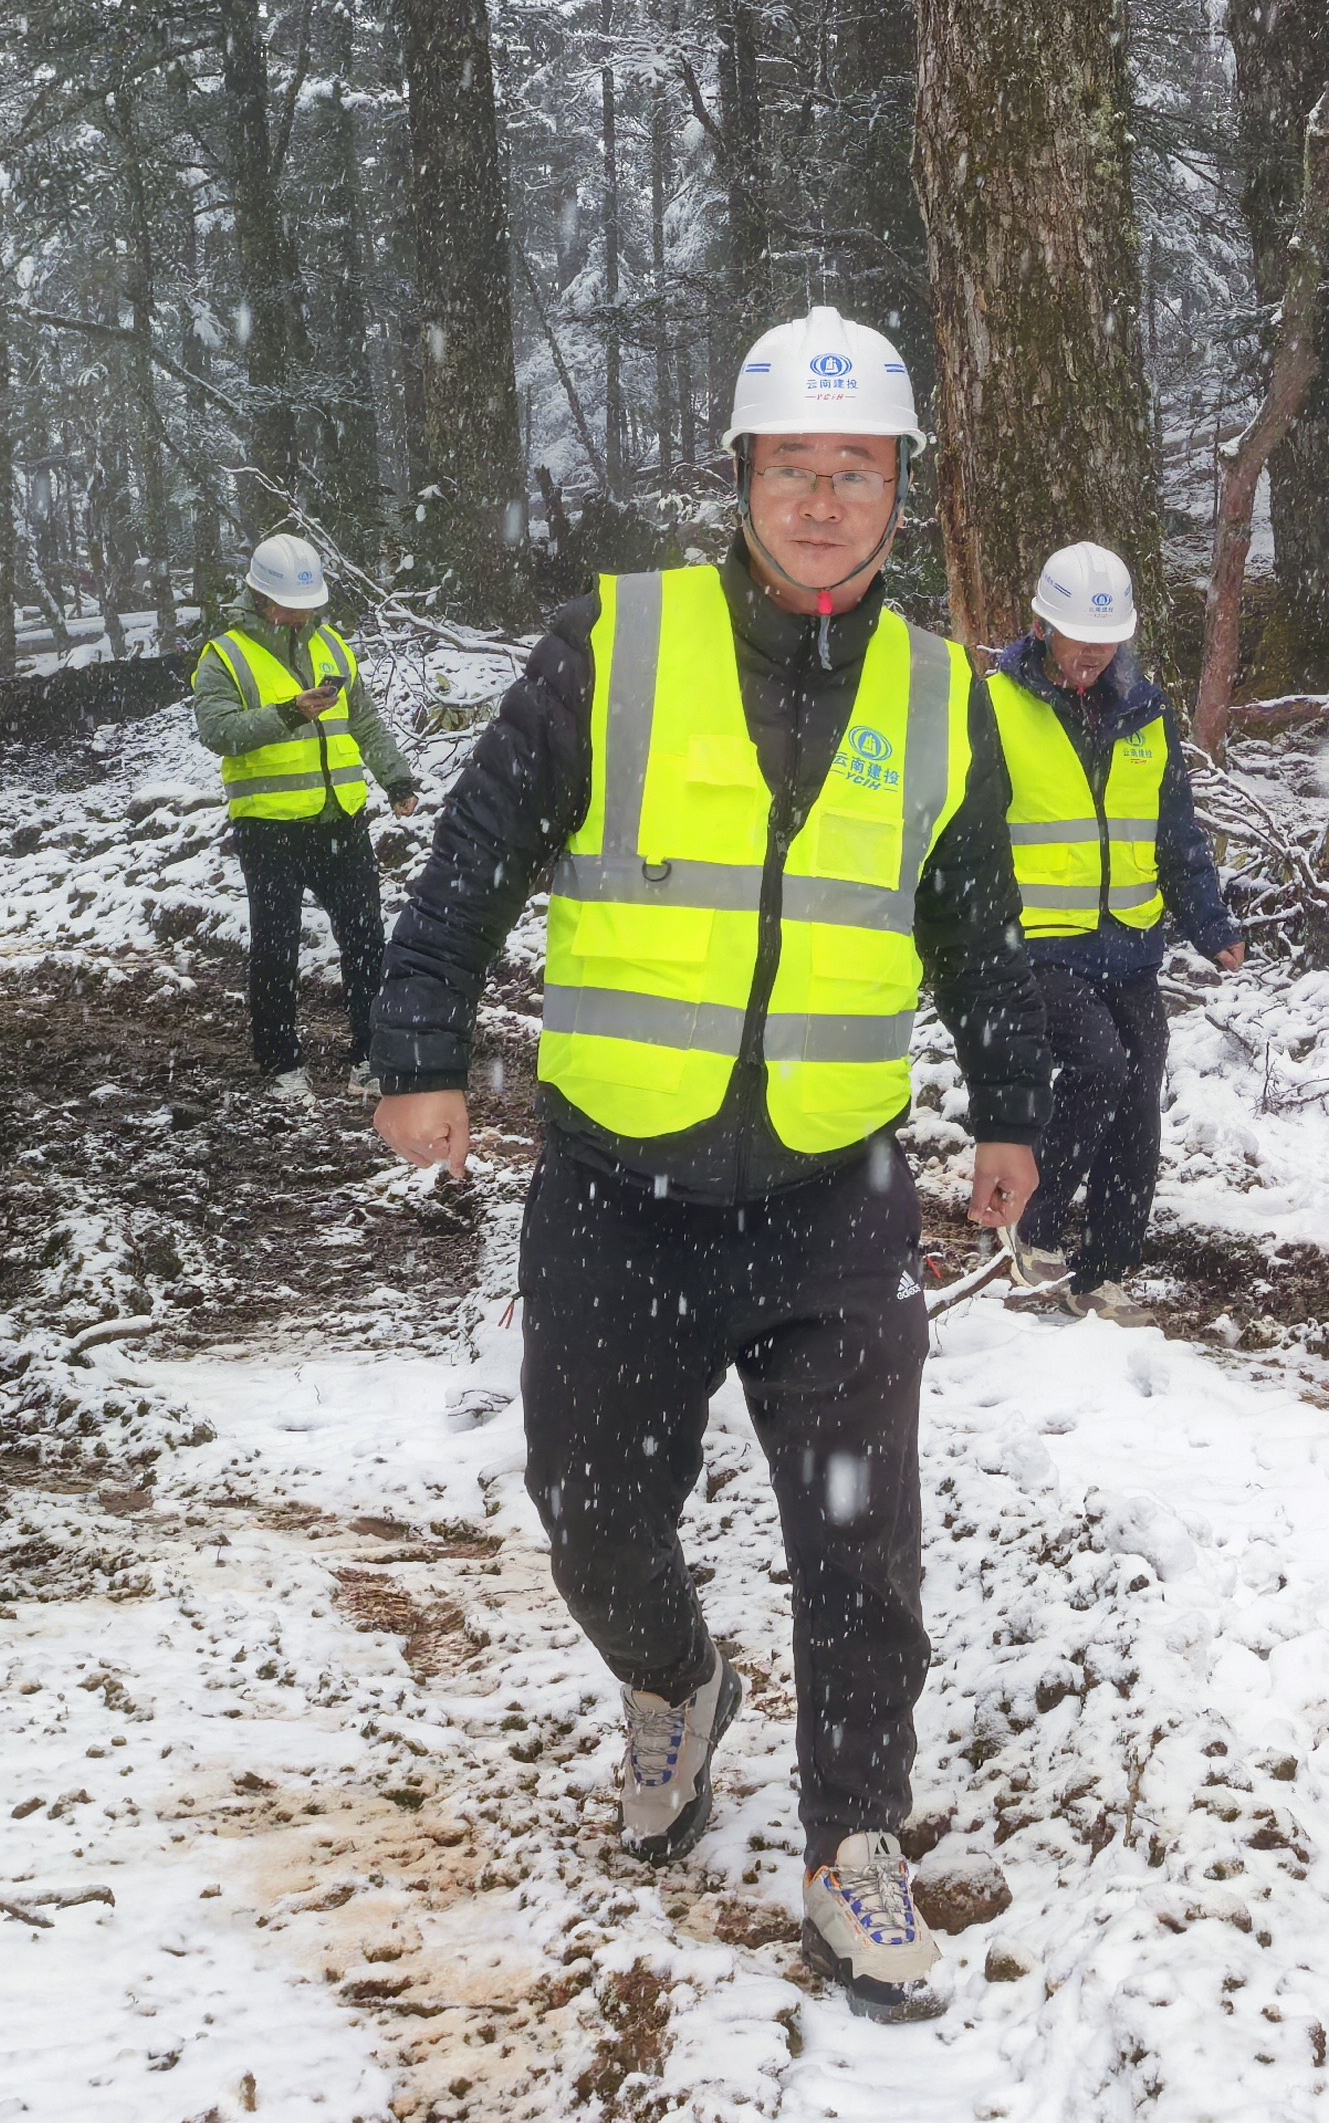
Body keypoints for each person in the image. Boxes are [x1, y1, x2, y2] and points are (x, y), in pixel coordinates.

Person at [365, 307, 1046, 2026]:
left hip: (833, 1191)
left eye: (859, 469)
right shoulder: (619, 643)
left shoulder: (941, 694)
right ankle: (675, 1681)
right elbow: (475, 849)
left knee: (858, 1535)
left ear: (900, 486)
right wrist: (420, 1047)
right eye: (795, 469)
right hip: (615, 1186)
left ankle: (853, 1837)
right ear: (740, 476)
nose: (826, 500)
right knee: (592, 1519)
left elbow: (983, 934)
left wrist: (1017, 1110)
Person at [983, 540, 1247, 1322]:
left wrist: (1210, 921)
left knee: (1138, 1090)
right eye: (1077, 635)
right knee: (1097, 1066)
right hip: (1037, 945)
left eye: (1106, 639)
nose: (1092, 653)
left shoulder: (1148, 712)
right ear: (1039, 625)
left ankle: (1107, 1270)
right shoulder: (992, 708)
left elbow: (1177, 836)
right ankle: (1034, 1224)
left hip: (1129, 943)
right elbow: (962, 835)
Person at [191, 531, 421, 1102]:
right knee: (276, 947)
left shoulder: (334, 647)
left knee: (367, 941)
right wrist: (288, 715)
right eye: (294, 606)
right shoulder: (224, 655)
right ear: (262, 599)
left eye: (311, 605)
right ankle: (279, 1063)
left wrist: (396, 778)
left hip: (340, 819)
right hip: (269, 827)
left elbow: (364, 722)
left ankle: (370, 1056)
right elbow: (219, 733)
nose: (304, 615)